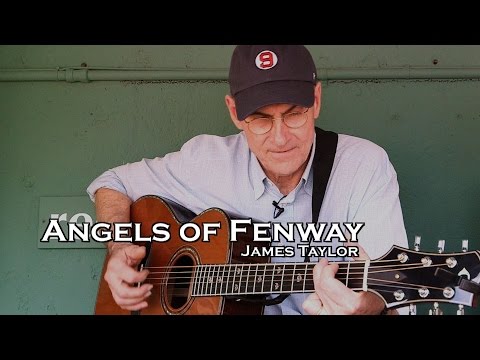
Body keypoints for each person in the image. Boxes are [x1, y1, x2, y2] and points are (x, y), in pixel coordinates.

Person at [87, 45, 409, 315]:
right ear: (234, 112)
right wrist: (118, 247)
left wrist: (366, 305)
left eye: (294, 114)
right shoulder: (206, 160)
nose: (281, 138)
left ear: (317, 100)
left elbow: (395, 292)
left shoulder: (362, 165)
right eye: (260, 119)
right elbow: (113, 182)